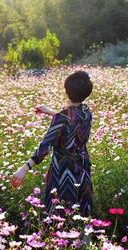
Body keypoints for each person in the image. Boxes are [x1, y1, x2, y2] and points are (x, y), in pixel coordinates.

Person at [10, 70, 94, 219]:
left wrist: (23, 169)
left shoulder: (62, 117)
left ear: (67, 92)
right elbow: (71, 120)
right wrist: (50, 112)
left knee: (59, 215)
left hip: (63, 170)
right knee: (81, 212)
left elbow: (45, 147)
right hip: (82, 169)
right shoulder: (87, 112)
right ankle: (84, 241)